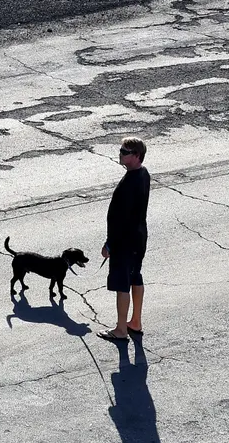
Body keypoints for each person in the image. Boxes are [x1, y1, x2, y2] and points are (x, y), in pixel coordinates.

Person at [100, 136, 150, 342]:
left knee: (122, 284)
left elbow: (123, 219)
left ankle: (121, 329)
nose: (120, 154)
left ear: (136, 156)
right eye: (120, 150)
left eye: (124, 152)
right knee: (135, 277)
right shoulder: (143, 174)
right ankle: (135, 321)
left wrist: (110, 243)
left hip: (125, 241)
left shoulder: (132, 181)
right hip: (138, 238)